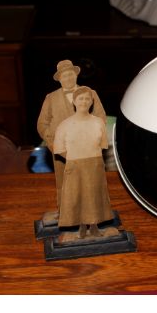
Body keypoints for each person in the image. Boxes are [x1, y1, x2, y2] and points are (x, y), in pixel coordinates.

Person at [37, 60, 106, 209]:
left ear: (76, 75)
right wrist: (53, 143)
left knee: (89, 182)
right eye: (64, 76)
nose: (68, 78)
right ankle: (66, 216)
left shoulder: (90, 93)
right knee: (65, 183)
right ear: (59, 79)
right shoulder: (51, 98)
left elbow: (100, 117)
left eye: (70, 75)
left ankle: (91, 214)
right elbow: (42, 124)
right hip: (62, 152)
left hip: (87, 150)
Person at [53, 86, 113, 238]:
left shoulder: (98, 122)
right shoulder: (65, 125)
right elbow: (59, 148)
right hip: (75, 166)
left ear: (92, 102)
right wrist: (75, 158)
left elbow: (103, 144)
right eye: (81, 99)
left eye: (87, 99)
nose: (84, 102)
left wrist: (90, 158)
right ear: (74, 101)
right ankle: (81, 227)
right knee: (77, 196)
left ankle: (94, 227)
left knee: (93, 196)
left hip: (95, 165)